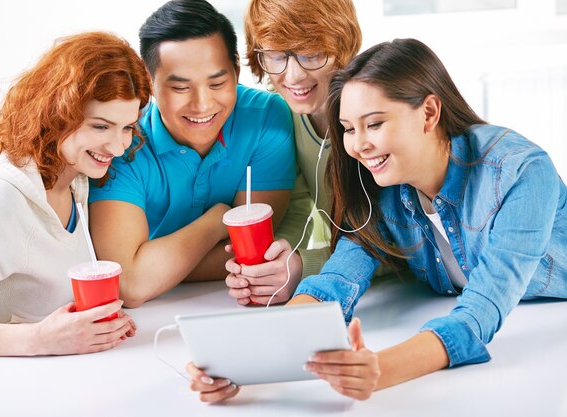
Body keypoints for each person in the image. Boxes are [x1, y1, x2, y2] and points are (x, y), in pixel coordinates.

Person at [188, 38, 567, 402]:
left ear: (430, 113)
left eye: (374, 124)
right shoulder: (385, 188)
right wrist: (239, 363)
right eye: (349, 129)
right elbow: (335, 282)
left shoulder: (520, 171)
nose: (358, 145)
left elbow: (480, 313)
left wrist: (379, 370)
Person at [0, 32, 151, 357]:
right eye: (100, 126)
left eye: (126, 128)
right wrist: (38, 339)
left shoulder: (75, 180)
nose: (118, 146)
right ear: (57, 112)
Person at [88, 0, 295, 308]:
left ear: (237, 72)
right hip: (147, 322)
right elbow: (128, 283)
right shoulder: (121, 141)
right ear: (148, 83)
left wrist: (156, 266)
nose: (202, 104)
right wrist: (219, 220)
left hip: (230, 306)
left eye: (217, 83)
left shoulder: (266, 118)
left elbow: (254, 255)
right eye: (181, 88)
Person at [224, 0, 363, 306]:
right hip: (348, 291)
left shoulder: (371, 113)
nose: (294, 76)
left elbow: (393, 241)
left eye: (311, 54)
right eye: (275, 56)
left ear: (342, 44)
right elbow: (298, 206)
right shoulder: (282, 111)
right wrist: (278, 258)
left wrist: (304, 266)